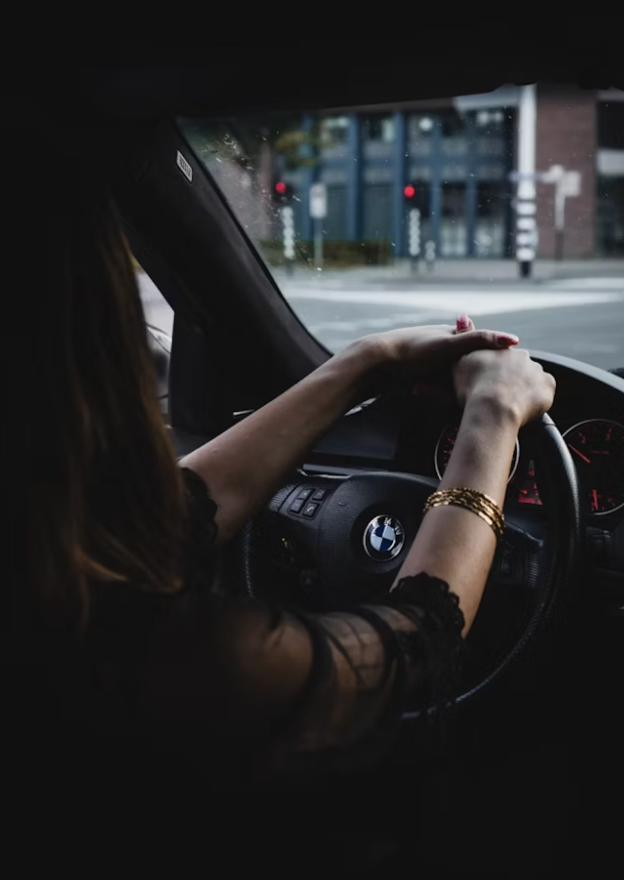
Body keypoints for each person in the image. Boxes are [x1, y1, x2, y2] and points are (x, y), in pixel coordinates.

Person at [7, 163, 554, 866]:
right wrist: (493, 416)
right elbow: (420, 641)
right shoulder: (167, 660)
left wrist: (367, 360)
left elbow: (176, 517)